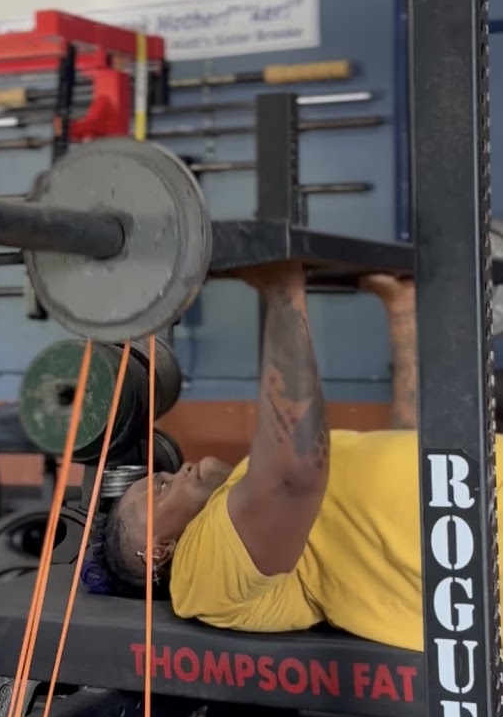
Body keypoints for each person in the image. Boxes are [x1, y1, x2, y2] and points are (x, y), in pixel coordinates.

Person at [81, 264, 503, 652]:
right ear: (157, 552)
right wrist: (281, 291)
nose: (176, 472)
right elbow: (294, 477)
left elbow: (410, 446)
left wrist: (401, 310)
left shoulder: (242, 498)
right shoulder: (199, 573)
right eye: (160, 488)